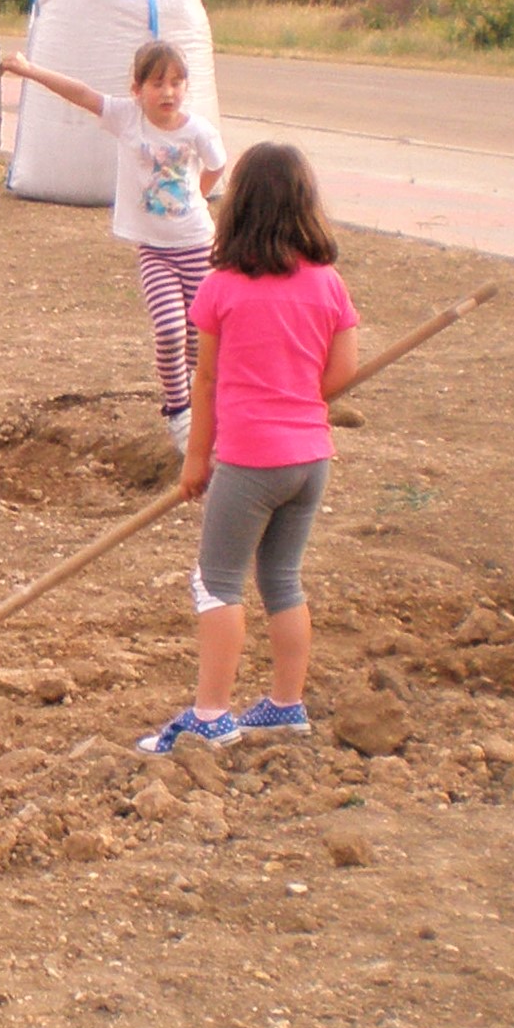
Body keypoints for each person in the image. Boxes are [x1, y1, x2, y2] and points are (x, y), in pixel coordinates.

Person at [137, 142, 360, 755]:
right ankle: (286, 706)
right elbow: (341, 374)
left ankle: (211, 716)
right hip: (310, 460)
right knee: (283, 579)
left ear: (238, 208)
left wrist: (195, 458)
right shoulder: (328, 284)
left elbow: (202, 381)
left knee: (217, 583)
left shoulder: (221, 289)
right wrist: (296, 391)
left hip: (250, 460)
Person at [3, 41, 229, 438]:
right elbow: (80, 93)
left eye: (177, 83)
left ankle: (206, 405)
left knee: (200, 340)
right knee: (169, 330)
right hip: (154, 252)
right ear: (137, 90)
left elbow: (216, 166)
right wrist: (28, 69)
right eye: (158, 83)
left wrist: (193, 194)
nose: (168, 92)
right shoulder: (127, 118)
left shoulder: (197, 130)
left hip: (196, 246)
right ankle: (179, 414)